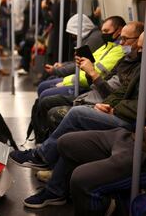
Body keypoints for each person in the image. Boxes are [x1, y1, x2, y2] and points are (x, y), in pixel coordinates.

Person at [9, 31, 144, 208]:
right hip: (111, 106)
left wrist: (113, 107)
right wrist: (110, 104)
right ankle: (55, 190)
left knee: (75, 114)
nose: (122, 42)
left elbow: (139, 105)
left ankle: (42, 156)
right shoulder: (131, 62)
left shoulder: (134, 62)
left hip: (131, 121)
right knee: (71, 137)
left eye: (140, 46)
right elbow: (120, 92)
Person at [28, 23, 143, 142]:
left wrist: (92, 73)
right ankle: (44, 145)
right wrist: (88, 72)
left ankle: (45, 151)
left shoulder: (136, 67)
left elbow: (114, 96)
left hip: (101, 102)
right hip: (93, 96)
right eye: (121, 39)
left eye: (125, 39)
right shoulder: (124, 60)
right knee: (45, 99)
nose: (121, 43)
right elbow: (104, 85)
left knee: (54, 109)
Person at [37, 16, 126, 99]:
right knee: (45, 86)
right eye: (102, 31)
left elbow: (95, 72)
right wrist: (63, 65)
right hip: (81, 80)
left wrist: (64, 80)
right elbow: (84, 64)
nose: (103, 34)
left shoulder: (117, 49)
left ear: (119, 30)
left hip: (86, 85)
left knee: (45, 93)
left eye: (106, 31)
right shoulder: (107, 46)